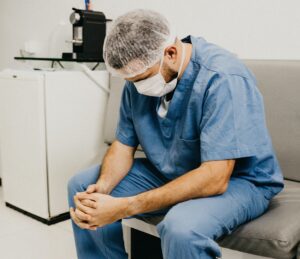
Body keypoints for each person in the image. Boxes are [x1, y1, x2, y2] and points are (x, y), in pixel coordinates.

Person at [67, 9, 284, 259]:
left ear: (170, 53)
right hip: (173, 170)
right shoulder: (139, 78)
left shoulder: (222, 78)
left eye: (142, 79)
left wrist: (124, 207)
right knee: (84, 188)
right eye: (132, 81)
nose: (138, 87)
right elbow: (123, 145)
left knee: (181, 229)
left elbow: (215, 177)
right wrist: (103, 188)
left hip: (240, 180)